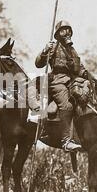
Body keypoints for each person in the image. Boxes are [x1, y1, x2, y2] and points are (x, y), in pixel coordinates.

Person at [35, 20, 89, 152]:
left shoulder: (72, 50)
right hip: (57, 81)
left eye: (69, 30)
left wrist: (86, 73)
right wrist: (44, 51)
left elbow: (79, 68)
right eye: (64, 30)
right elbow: (38, 63)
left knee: (86, 99)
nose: (67, 33)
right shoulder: (53, 47)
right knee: (67, 105)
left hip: (72, 81)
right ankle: (66, 141)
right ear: (58, 34)